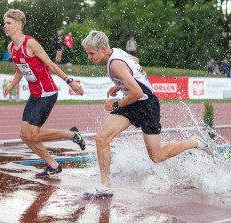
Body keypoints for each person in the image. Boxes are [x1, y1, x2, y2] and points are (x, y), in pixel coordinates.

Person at [82, 31, 213, 197]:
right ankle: (105, 185)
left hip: (146, 105)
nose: (89, 57)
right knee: (102, 138)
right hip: (132, 103)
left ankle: (196, 142)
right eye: (88, 53)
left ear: (102, 48)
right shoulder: (117, 51)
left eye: (91, 53)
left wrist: (115, 104)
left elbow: (137, 92)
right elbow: (135, 62)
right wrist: (121, 84)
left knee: (157, 156)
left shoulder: (115, 65)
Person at [3, 9, 86, 177]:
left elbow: (51, 64)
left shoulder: (31, 44)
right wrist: (11, 85)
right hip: (34, 95)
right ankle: (53, 166)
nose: (5, 26)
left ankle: (72, 134)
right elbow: (19, 71)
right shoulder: (11, 47)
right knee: (24, 135)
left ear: (19, 25)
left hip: (47, 92)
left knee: (32, 134)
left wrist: (69, 81)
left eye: (8, 23)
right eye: (4, 23)